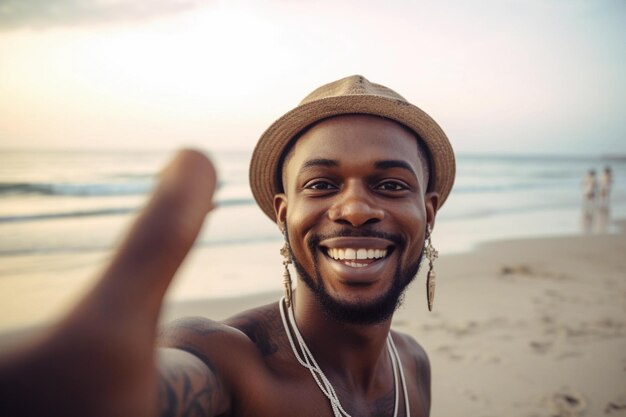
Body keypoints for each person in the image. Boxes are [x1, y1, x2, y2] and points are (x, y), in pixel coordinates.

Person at [0, 75, 455, 417]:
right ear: (283, 214)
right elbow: (175, 373)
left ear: (429, 212)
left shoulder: (412, 365)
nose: (355, 209)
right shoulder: (230, 362)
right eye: (321, 184)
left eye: (391, 184)